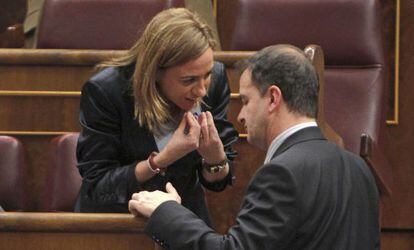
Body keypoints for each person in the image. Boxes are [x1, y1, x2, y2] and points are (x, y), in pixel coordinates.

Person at [128, 44, 380, 249]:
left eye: (246, 101)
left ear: (272, 98)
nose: (241, 116)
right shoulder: (358, 168)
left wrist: (167, 211)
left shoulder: (282, 173)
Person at [75, 7, 238, 228]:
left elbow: (218, 182)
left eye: (206, 76)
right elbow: (98, 187)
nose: (201, 90)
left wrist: (215, 161)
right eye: (188, 80)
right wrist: (162, 160)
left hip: (183, 221)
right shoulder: (107, 92)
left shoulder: (216, 79)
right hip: (117, 223)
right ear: (155, 73)